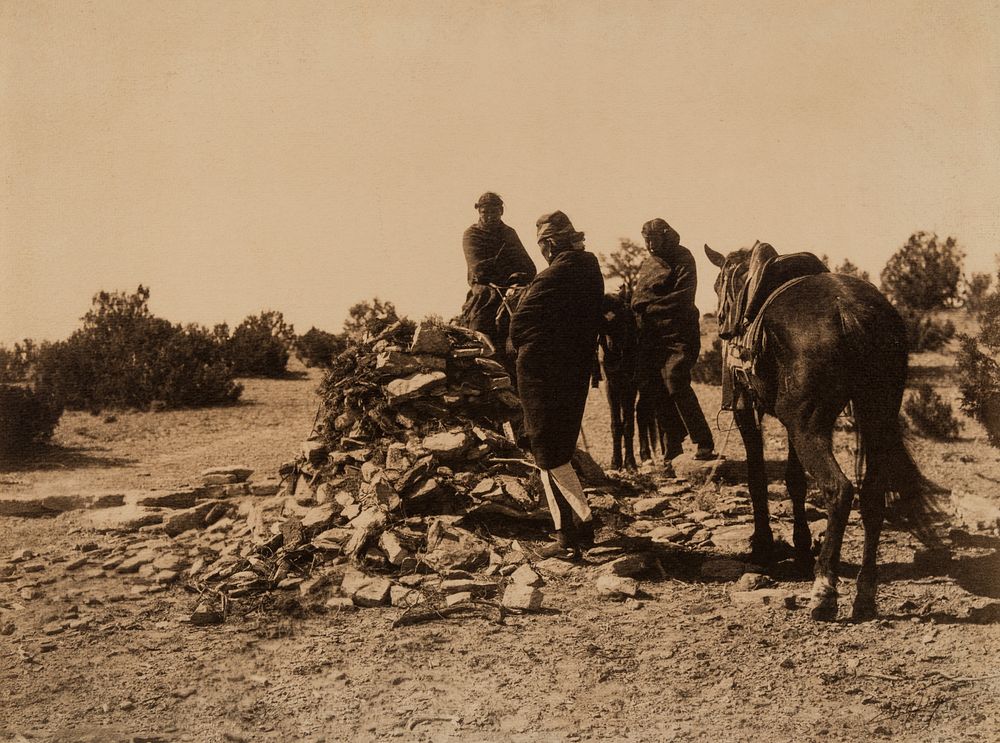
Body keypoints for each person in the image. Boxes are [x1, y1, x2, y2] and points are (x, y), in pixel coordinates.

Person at [510, 211, 604, 554]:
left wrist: (518, 343)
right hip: (575, 370)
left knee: (545, 449)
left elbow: (521, 322)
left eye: (543, 247)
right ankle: (577, 527)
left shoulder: (554, 274)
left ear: (549, 244)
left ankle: (573, 531)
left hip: (542, 373)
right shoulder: (589, 268)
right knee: (556, 447)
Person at [631, 218, 717, 474]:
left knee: (676, 379)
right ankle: (673, 447)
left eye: (653, 240)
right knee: (656, 388)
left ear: (666, 237)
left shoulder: (684, 258)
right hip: (651, 336)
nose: (649, 246)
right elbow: (637, 297)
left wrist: (648, 308)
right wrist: (640, 311)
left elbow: (683, 297)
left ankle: (703, 441)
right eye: (645, 241)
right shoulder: (649, 263)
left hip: (680, 334)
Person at [460, 192, 537, 374]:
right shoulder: (471, 234)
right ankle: (480, 355)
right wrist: (505, 265)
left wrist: (515, 279)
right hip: (485, 287)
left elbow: (528, 265)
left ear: (501, 211)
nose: (489, 217)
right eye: (485, 212)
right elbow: (479, 269)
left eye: (494, 212)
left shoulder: (509, 233)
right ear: (478, 211)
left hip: (512, 285)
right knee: (482, 311)